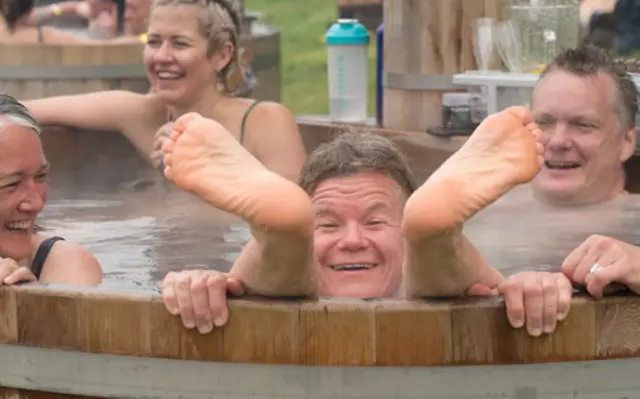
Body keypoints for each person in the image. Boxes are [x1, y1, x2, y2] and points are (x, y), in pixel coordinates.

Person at [158, 106, 573, 338]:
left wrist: (532, 286)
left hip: (421, 282)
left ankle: (431, 228)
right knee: (284, 263)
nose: (353, 240)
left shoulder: (426, 267)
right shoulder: (282, 270)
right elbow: (222, 289)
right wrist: (199, 284)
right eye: (328, 224)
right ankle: (279, 228)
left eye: (375, 222)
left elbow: (505, 294)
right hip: (294, 285)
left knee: (433, 263)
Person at [22, 0, 306, 182]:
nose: (162, 57)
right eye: (154, 41)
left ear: (221, 55)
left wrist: (206, 166)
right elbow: (24, 109)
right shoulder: (143, 114)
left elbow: (300, 220)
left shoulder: (264, 122)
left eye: (179, 44)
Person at [0, 94, 103, 286]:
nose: (37, 204)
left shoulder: (66, 264)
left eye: (40, 177)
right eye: (12, 184)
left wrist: (29, 300)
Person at [530, 44, 637, 206]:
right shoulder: (490, 204)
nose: (557, 141)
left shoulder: (634, 226)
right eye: (543, 122)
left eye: (583, 125)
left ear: (626, 142)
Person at [0, 0, 139, 45]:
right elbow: (94, 49)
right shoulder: (44, 37)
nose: (85, 0)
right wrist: (107, 38)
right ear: (30, 7)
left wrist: (60, 9)